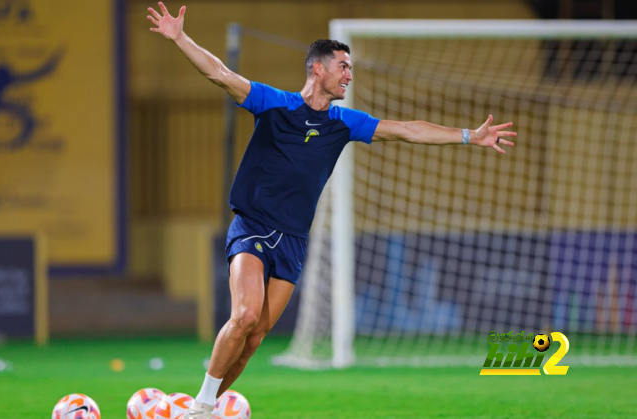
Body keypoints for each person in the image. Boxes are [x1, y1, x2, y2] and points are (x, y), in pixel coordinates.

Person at [147, 2, 516, 417]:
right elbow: (220, 73)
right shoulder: (274, 104)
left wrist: (468, 135)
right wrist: (179, 37)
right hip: (252, 226)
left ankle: (208, 405)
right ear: (317, 69)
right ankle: (198, 407)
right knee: (245, 314)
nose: (349, 75)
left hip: (294, 240)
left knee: (254, 339)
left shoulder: (344, 122)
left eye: (350, 68)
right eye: (343, 66)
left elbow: (407, 130)